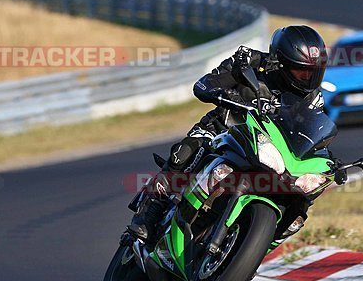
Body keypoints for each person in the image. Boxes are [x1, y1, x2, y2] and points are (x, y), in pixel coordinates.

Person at [128, 25, 328, 242]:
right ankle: (150, 210)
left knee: (300, 191)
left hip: (267, 147)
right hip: (222, 129)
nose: (308, 79)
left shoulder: (313, 98)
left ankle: (253, 244)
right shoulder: (248, 62)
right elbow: (204, 84)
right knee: (184, 152)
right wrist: (221, 93)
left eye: (314, 72)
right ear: (280, 62)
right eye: (302, 71)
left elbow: (311, 132)